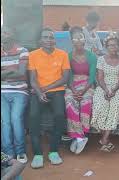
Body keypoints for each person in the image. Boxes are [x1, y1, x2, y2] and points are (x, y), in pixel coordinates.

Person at [28, 27, 70, 169]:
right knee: (33, 117)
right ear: (41, 40)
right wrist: (39, 93)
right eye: (45, 37)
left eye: (51, 37)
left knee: (59, 116)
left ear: (55, 40)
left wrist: (44, 89)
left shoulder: (62, 54)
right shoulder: (33, 55)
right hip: (38, 92)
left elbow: (65, 78)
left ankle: (53, 151)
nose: (48, 40)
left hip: (57, 91)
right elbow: (33, 79)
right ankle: (38, 154)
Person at [91, 35, 119, 152]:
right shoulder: (101, 59)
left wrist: (114, 90)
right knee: (100, 106)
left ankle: (104, 139)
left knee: (115, 106)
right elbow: (100, 78)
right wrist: (106, 89)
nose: (114, 47)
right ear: (106, 47)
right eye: (111, 45)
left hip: (117, 89)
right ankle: (105, 140)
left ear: (118, 46)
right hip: (103, 87)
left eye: (116, 45)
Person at [65, 26, 97, 154]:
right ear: (72, 41)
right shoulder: (68, 56)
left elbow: (92, 76)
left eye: (81, 37)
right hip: (72, 85)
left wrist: (83, 91)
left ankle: (79, 136)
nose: (78, 40)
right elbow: (68, 75)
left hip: (87, 85)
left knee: (85, 102)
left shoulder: (91, 56)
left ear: (84, 40)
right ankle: (80, 138)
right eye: (75, 38)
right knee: (69, 103)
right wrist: (73, 90)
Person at [1, 27, 29, 164]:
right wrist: (12, 71)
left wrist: (4, 73)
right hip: (2, 92)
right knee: (4, 122)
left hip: (19, 91)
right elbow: (16, 72)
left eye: (6, 32)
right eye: (1, 32)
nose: (3, 35)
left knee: (15, 119)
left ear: (13, 35)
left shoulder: (22, 51)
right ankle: (8, 153)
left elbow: (22, 73)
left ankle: (20, 152)